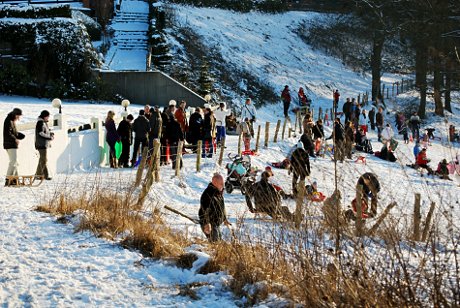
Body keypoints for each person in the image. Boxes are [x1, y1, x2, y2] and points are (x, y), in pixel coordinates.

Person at [199, 173, 231, 242]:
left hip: (215, 224)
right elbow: (204, 210)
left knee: (218, 243)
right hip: (210, 224)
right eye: (221, 184)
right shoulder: (208, 194)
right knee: (215, 243)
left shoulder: (218, 192)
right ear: (215, 183)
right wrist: (206, 223)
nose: (223, 186)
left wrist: (224, 219)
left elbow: (221, 207)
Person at [4, 108, 25, 184]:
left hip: (11, 144)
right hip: (10, 144)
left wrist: (19, 135)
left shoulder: (12, 121)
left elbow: (12, 132)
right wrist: (15, 139)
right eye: (19, 116)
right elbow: (8, 133)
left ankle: (15, 180)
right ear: (16, 115)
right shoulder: (8, 121)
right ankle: (8, 179)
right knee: (13, 162)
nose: (19, 118)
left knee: (15, 162)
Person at [34, 110, 54, 180]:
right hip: (41, 144)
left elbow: (45, 131)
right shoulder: (40, 122)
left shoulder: (43, 122)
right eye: (48, 116)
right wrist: (49, 137)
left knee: (43, 160)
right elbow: (41, 133)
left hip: (43, 144)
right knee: (43, 160)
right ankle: (38, 175)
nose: (48, 118)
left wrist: (50, 133)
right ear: (45, 116)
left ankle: (45, 175)